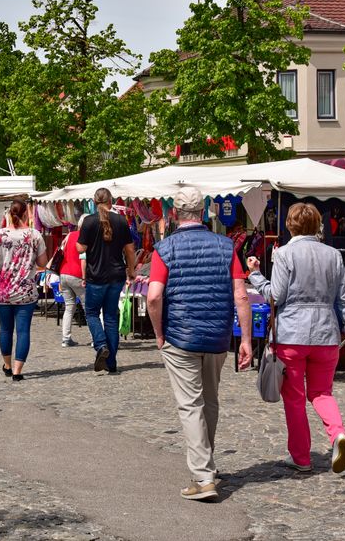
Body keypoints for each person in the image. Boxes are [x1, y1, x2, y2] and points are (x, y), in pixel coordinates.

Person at [145, 187, 253, 501]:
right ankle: (207, 466)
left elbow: (154, 297)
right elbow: (241, 296)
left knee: (190, 405)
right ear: (203, 212)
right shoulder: (226, 246)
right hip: (217, 335)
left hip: (181, 335)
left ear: (174, 213)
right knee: (210, 401)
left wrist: (158, 333)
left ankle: (203, 477)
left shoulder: (165, 248)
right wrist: (246, 339)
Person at [246, 203, 345, 475]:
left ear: (290, 225)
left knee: (295, 399)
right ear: (317, 225)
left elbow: (276, 296)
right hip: (326, 333)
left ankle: (301, 457)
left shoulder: (284, 254)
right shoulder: (333, 255)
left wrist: (255, 275)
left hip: (291, 334)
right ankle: (338, 434)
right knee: (322, 393)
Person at [0, 199, 48, 381]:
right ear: (26, 213)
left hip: (3, 292)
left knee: (5, 330)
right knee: (23, 331)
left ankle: (7, 365)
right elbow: (42, 263)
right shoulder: (35, 235)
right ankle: (17, 371)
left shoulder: (0, 235)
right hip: (26, 292)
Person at [77, 188, 136, 373]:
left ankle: (101, 345)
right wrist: (131, 270)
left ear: (94, 201)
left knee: (92, 313)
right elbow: (130, 250)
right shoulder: (121, 221)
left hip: (96, 276)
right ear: (111, 201)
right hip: (116, 275)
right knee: (110, 317)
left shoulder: (89, 221)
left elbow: (80, 248)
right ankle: (111, 363)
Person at [57, 215, 87, 347]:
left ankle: (66, 338)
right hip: (77, 274)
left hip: (64, 273)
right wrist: (85, 277)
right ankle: (95, 338)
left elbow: (62, 251)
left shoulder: (70, 235)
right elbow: (83, 259)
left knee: (69, 307)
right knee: (88, 308)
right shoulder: (86, 237)